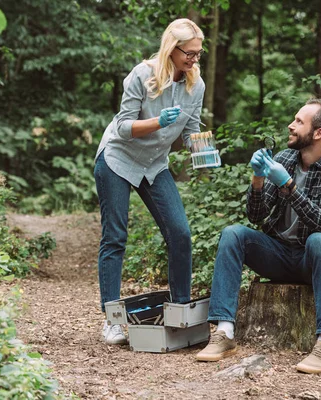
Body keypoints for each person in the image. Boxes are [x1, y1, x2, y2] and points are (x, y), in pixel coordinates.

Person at [195, 99, 321, 374]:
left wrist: (289, 186)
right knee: (233, 234)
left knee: (319, 240)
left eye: (299, 122)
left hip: (312, 259)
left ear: (318, 133)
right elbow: (255, 216)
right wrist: (258, 179)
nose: (290, 126)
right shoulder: (284, 158)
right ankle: (224, 333)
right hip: (278, 253)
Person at [94, 19, 205, 345]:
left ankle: (181, 310)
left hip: (155, 164)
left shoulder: (195, 85)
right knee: (115, 236)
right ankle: (112, 322)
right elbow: (124, 127)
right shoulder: (142, 75)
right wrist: (157, 121)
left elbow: (191, 130)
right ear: (172, 49)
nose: (194, 60)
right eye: (190, 54)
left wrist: (204, 154)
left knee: (180, 233)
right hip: (118, 160)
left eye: (199, 54)